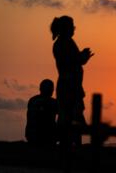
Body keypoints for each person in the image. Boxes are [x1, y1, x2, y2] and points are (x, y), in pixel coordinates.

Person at [51, 16, 93, 147]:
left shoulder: (61, 43)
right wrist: (83, 56)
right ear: (66, 29)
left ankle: (68, 146)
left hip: (68, 85)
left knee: (69, 117)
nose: (74, 28)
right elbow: (74, 61)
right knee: (72, 117)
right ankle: (71, 147)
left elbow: (74, 60)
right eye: (72, 26)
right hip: (70, 86)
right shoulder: (66, 43)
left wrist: (82, 57)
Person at [25, 79, 58, 146]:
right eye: (52, 88)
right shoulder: (52, 102)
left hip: (31, 134)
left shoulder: (32, 100)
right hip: (45, 135)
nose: (52, 90)